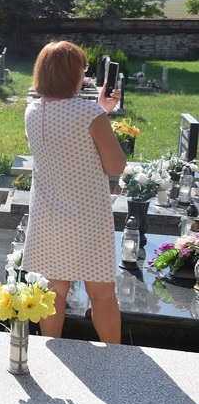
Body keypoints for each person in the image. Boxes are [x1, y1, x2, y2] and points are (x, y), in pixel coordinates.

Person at [22, 41, 126, 343]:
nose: (84, 74)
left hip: (47, 214)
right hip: (87, 216)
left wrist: (102, 112)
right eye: (82, 69)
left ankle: (50, 350)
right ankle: (117, 358)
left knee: (54, 290)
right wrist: (104, 116)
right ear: (71, 74)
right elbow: (116, 165)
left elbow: (68, 138)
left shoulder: (32, 110)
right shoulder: (89, 113)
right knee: (102, 294)